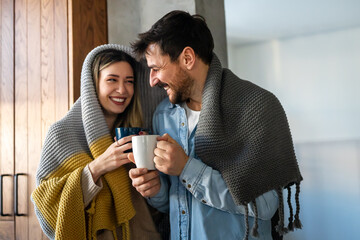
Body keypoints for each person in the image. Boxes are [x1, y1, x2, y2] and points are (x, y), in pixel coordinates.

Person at [128, 10, 303, 240]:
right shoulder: (164, 116)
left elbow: (266, 205)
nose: (152, 81)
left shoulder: (257, 107)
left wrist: (187, 169)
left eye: (156, 69)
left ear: (188, 58)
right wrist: (157, 190)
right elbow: (179, 204)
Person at [31, 44, 162, 240]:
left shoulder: (139, 133)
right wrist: (97, 167)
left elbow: (156, 205)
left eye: (129, 81)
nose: (122, 90)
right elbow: (45, 205)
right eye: (112, 80)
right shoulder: (62, 134)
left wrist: (155, 187)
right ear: (93, 83)